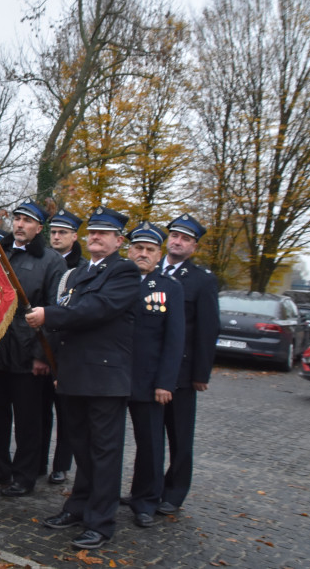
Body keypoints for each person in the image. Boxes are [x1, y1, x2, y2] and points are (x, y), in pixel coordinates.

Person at [26, 206, 139, 550]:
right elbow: (65, 328)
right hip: (74, 375)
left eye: (104, 233)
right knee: (81, 449)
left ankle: (101, 523)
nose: (96, 237)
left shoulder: (124, 272)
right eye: (93, 232)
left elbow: (96, 310)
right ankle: (77, 507)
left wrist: (50, 314)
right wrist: (57, 367)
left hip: (105, 377)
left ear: (119, 240)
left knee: (104, 452)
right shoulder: (75, 275)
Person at [0, 200, 66, 498]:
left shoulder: (52, 261)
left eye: (27, 221)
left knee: (28, 420)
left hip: (28, 352)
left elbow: (54, 312)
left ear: (40, 228)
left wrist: (43, 356)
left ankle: (25, 475)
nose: (19, 225)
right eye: (17, 219)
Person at [123, 221, 185, 528]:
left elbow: (175, 341)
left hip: (149, 382)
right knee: (105, 441)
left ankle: (146, 499)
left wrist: (165, 382)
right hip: (114, 375)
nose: (143, 254)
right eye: (138, 248)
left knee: (149, 443)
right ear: (129, 250)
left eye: (149, 249)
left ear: (159, 254)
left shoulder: (170, 287)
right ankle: (104, 493)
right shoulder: (117, 279)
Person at [158, 213, 219, 515]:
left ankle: (174, 492)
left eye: (185, 239)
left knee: (179, 436)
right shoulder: (149, 270)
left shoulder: (202, 280)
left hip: (182, 372)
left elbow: (208, 330)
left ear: (194, 246)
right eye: (174, 236)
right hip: (149, 370)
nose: (178, 242)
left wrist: (200, 373)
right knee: (151, 436)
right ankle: (148, 489)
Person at [41, 208, 85, 484]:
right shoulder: (45, 260)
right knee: (40, 410)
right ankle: (37, 458)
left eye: (62, 233)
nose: (56, 237)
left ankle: (61, 464)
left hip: (69, 347)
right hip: (44, 344)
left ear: (74, 236)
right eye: (53, 232)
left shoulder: (82, 268)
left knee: (67, 412)